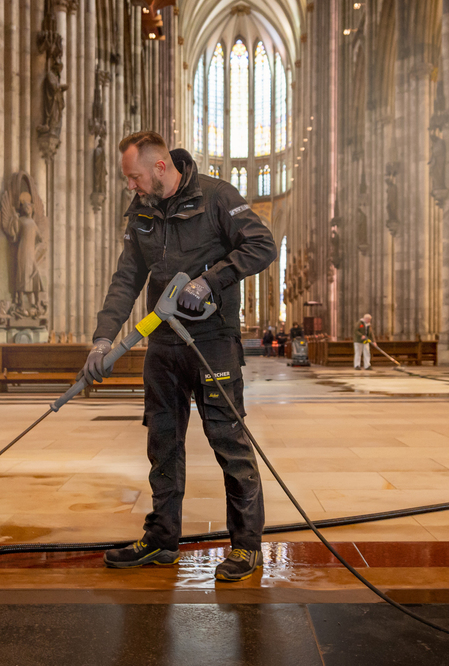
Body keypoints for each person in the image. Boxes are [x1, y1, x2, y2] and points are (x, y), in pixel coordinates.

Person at [78, 131, 277, 583]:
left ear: (160, 168)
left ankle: (246, 546)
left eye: (134, 177)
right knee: (162, 444)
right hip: (163, 344)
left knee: (229, 441)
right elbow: (127, 278)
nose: (130, 185)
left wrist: (211, 280)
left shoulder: (217, 197)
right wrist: (103, 339)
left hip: (212, 343)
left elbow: (261, 245)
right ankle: (162, 539)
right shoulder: (142, 212)